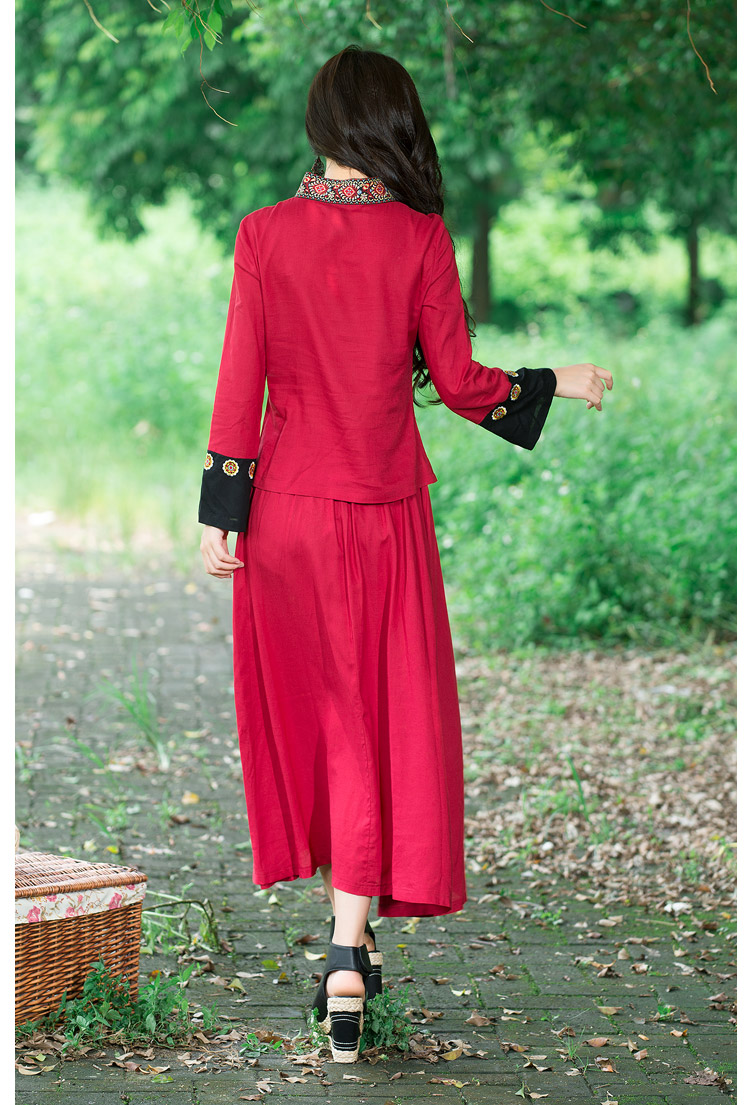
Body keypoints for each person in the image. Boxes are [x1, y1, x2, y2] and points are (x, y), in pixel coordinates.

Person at [198, 45, 613, 1062]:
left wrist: (222, 510)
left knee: (324, 720)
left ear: (322, 124)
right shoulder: (421, 237)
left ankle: (352, 932)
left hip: (284, 516)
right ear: (393, 124)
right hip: (382, 517)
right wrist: (556, 380)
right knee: (369, 722)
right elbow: (461, 382)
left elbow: (240, 378)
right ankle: (348, 950)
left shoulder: (263, 234)